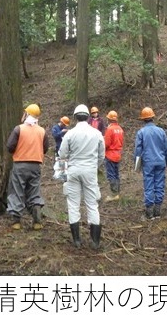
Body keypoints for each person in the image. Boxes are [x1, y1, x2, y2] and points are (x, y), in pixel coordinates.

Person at [58, 104, 105, 249]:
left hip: (73, 170)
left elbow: (62, 154)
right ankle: (95, 241)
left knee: (73, 204)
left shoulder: (70, 134)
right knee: (92, 204)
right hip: (90, 170)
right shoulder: (96, 133)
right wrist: (93, 166)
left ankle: (77, 240)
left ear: (74, 117)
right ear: (88, 116)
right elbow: (102, 155)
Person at [6, 103, 50, 230]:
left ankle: (16, 222)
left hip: (20, 164)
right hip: (36, 165)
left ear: (27, 114)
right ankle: (37, 221)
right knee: (34, 191)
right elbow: (45, 148)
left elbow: (10, 146)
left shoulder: (19, 129)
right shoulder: (42, 131)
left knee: (17, 191)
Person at [134, 107, 167, 219]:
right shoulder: (161, 131)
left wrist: (136, 164)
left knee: (149, 185)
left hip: (148, 163)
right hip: (161, 161)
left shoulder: (141, 132)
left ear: (143, 119)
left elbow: (138, 150)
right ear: (153, 117)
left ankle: (149, 211)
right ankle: (158, 210)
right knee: (159, 184)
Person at [104, 110, 124, 201]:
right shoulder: (120, 129)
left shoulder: (110, 129)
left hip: (110, 154)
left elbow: (106, 143)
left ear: (109, 119)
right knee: (116, 174)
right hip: (118, 154)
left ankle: (114, 194)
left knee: (111, 174)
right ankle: (118, 193)